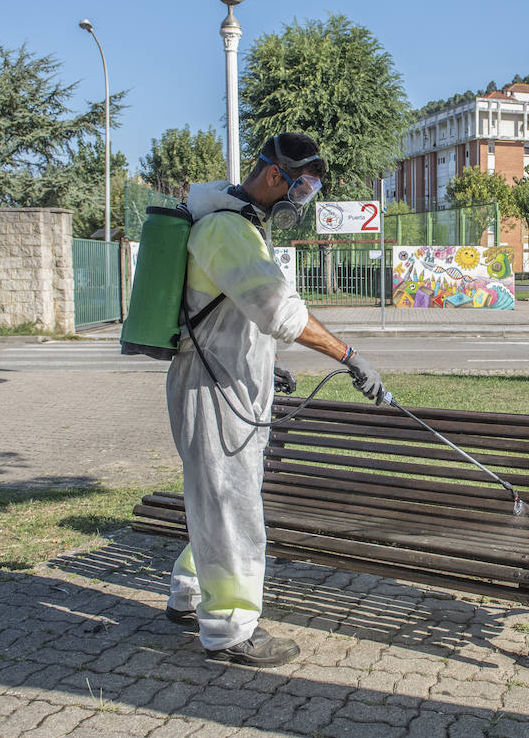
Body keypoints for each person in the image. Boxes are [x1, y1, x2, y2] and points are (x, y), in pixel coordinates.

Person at [164, 132, 385, 667]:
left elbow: (229, 312)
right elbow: (279, 312)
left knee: (215, 500)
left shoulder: (235, 223)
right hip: (214, 390)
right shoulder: (227, 228)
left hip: (223, 378)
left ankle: (188, 594)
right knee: (232, 509)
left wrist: (266, 361)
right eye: (302, 187)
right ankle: (231, 631)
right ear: (273, 176)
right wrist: (349, 355)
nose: (302, 200)